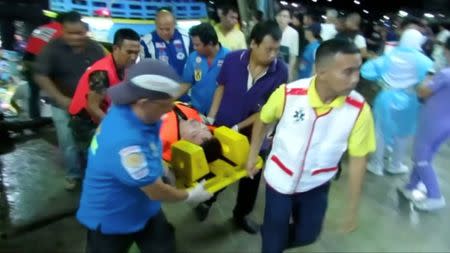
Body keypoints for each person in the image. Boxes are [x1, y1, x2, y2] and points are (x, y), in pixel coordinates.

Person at [245, 39, 376, 253]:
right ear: (321, 71)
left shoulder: (359, 110)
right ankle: (272, 241)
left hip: (316, 185)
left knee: (309, 235)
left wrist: (352, 208)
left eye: (358, 71)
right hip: (280, 178)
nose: (355, 79)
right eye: (348, 72)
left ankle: (273, 237)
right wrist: (253, 154)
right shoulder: (288, 94)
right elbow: (263, 118)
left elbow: (358, 159)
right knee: (274, 237)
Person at [77, 59, 212, 253]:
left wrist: (159, 166)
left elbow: (150, 144)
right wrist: (190, 195)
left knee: (163, 245)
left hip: (143, 207)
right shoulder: (126, 143)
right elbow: (155, 191)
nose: (169, 109)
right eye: (165, 104)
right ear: (143, 102)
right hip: (112, 215)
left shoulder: (130, 110)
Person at [205, 20, 288, 234]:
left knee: (250, 176)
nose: (273, 55)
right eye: (269, 49)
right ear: (253, 43)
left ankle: (241, 214)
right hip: (223, 129)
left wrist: (239, 127)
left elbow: (267, 111)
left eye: (277, 50)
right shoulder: (233, 60)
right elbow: (221, 88)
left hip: (255, 135)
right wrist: (212, 118)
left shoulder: (280, 71)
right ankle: (207, 199)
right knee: (218, 167)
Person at [34, 11, 105, 190]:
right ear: (63, 31)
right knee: (68, 143)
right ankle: (73, 175)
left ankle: (93, 175)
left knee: (93, 141)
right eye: (71, 33)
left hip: (89, 105)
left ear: (85, 30)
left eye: (80, 33)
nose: (76, 38)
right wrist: (60, 98)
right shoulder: (52, 49)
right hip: (62, 104)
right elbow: (40, 75)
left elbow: (105, 70)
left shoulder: (94, 48)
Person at [361, 29, 434, 176]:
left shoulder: (389, 55)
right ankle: (395, 164)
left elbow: (367, 71)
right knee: (403, 134)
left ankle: (376, 164)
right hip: (409, 100)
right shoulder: (424, 61)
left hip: (385, 97)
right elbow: (429, 82)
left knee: (379, 132)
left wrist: (381, 79)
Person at [68, 28, 140, 154]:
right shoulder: (102, 72)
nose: (133, 57)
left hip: (102, 116)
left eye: (136, 52)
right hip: (85, 123)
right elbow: (92, 107)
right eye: (129, 52)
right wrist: (114, 127)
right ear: (116, 49)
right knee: (99, 159)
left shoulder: (126, 67)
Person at [400, 37, 450, 211]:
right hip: (445, 124)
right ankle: (411, 186)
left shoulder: (445, 73)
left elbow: (423, 92)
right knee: (426, 155)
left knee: (421, 157)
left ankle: (435, 195)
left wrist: (428, 78)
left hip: (433, 121)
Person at [179, 23, 229, 115]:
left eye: (197, 45)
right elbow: (186, 83)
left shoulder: (229, 57)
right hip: (197, 112)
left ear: (210, 43)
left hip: (221, 113)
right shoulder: (193, 57)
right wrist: (168, 99)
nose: (194, 48)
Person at [23, 14, 63, 119]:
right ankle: (56, 120)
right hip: (43, 65)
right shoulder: (62, 31)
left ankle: (34, 121)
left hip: (28, 63)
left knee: (34, 94)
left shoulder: (39, 28)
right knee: (57, 93)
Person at [140, 8, 191, 77]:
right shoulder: (146, 43)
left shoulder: (186, 37)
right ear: (156, 25)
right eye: (161, 29)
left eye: (168, 29)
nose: (164, 32)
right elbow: (144, 70)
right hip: (160, 86)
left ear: (174, 25)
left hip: (185, 85)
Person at [276, 7, 299, 81]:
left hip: (284, 67)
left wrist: (289, 72)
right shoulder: (272, 29)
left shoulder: (293, 33)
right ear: (276, 17)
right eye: (280, 15)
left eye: (285, 16)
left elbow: (293, 55)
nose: (282, 18)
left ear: (290, 20)